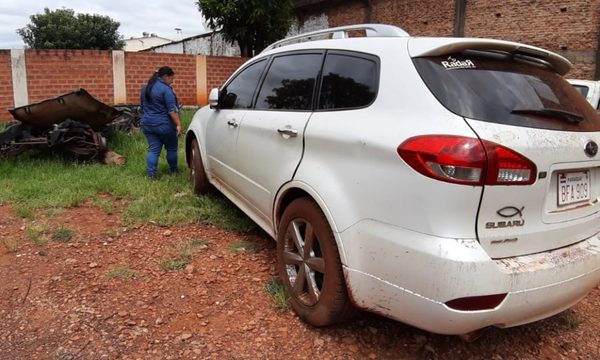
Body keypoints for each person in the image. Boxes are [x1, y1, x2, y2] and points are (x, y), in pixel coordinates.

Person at [140, 66, 182, 179]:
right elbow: (172, 110)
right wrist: (178, 124)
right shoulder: (166, 89)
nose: (172, 82)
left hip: (147, 124)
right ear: (165, 76)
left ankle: (151, 175)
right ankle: (174, 171)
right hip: (164, 125)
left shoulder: (145, 88)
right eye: (171, 79)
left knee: (154, 150)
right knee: (172, 148)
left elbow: (142, 107)